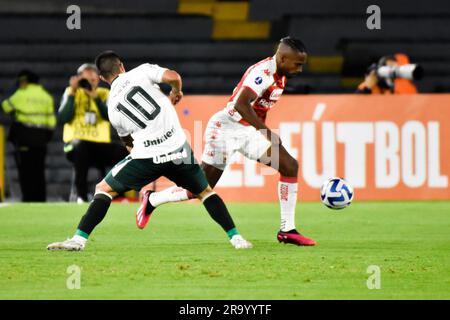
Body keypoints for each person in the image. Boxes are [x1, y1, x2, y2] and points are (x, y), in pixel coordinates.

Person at [47, 51, 252, 251]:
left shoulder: (111, 106)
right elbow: (174, 77)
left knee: (103, 189)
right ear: (121, 65)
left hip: (146, 157)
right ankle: (237, 238)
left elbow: (128, 142)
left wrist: (138, 163)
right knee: (205, 192)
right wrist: (175, 91)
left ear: (101, 78)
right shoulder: (143, 71)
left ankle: (78, 240)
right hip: (178, 150)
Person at [141, 37, 316, 246]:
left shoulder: (281, 74)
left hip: (248, 132)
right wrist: (268, 134)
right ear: (283, 58)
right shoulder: (263, 73)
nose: (300, 69)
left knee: (289, 165)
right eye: (297, 64)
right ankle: (152, 199)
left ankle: (287, 230)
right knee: (201, 188)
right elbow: (242, 104)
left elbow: (259, 107)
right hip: (225, 128)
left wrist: (261, 132)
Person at [58, 63, 128, 202]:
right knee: (81, 147)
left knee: (125, 152)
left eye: (93, 79)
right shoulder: (71, 92)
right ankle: (81, 196)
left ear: (99, 79)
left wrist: (95, 97)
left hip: (99, 145)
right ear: (79, 79)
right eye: (86, 80)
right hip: (74, 145)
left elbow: (110, 117)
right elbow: (63, 118)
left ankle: (118, 195)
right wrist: (72, 93)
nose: (90, 82)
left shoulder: (104, 94)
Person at [1, 70, 56, 202]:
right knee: (39, 171)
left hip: (25, 138)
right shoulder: (46, 96)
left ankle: (28, 199)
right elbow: (51, 122)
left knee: (25, 171)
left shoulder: (21, 93)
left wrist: (14, 91)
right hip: (41, 139)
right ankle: (40, 199)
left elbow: (5, 106)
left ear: (24, 81)